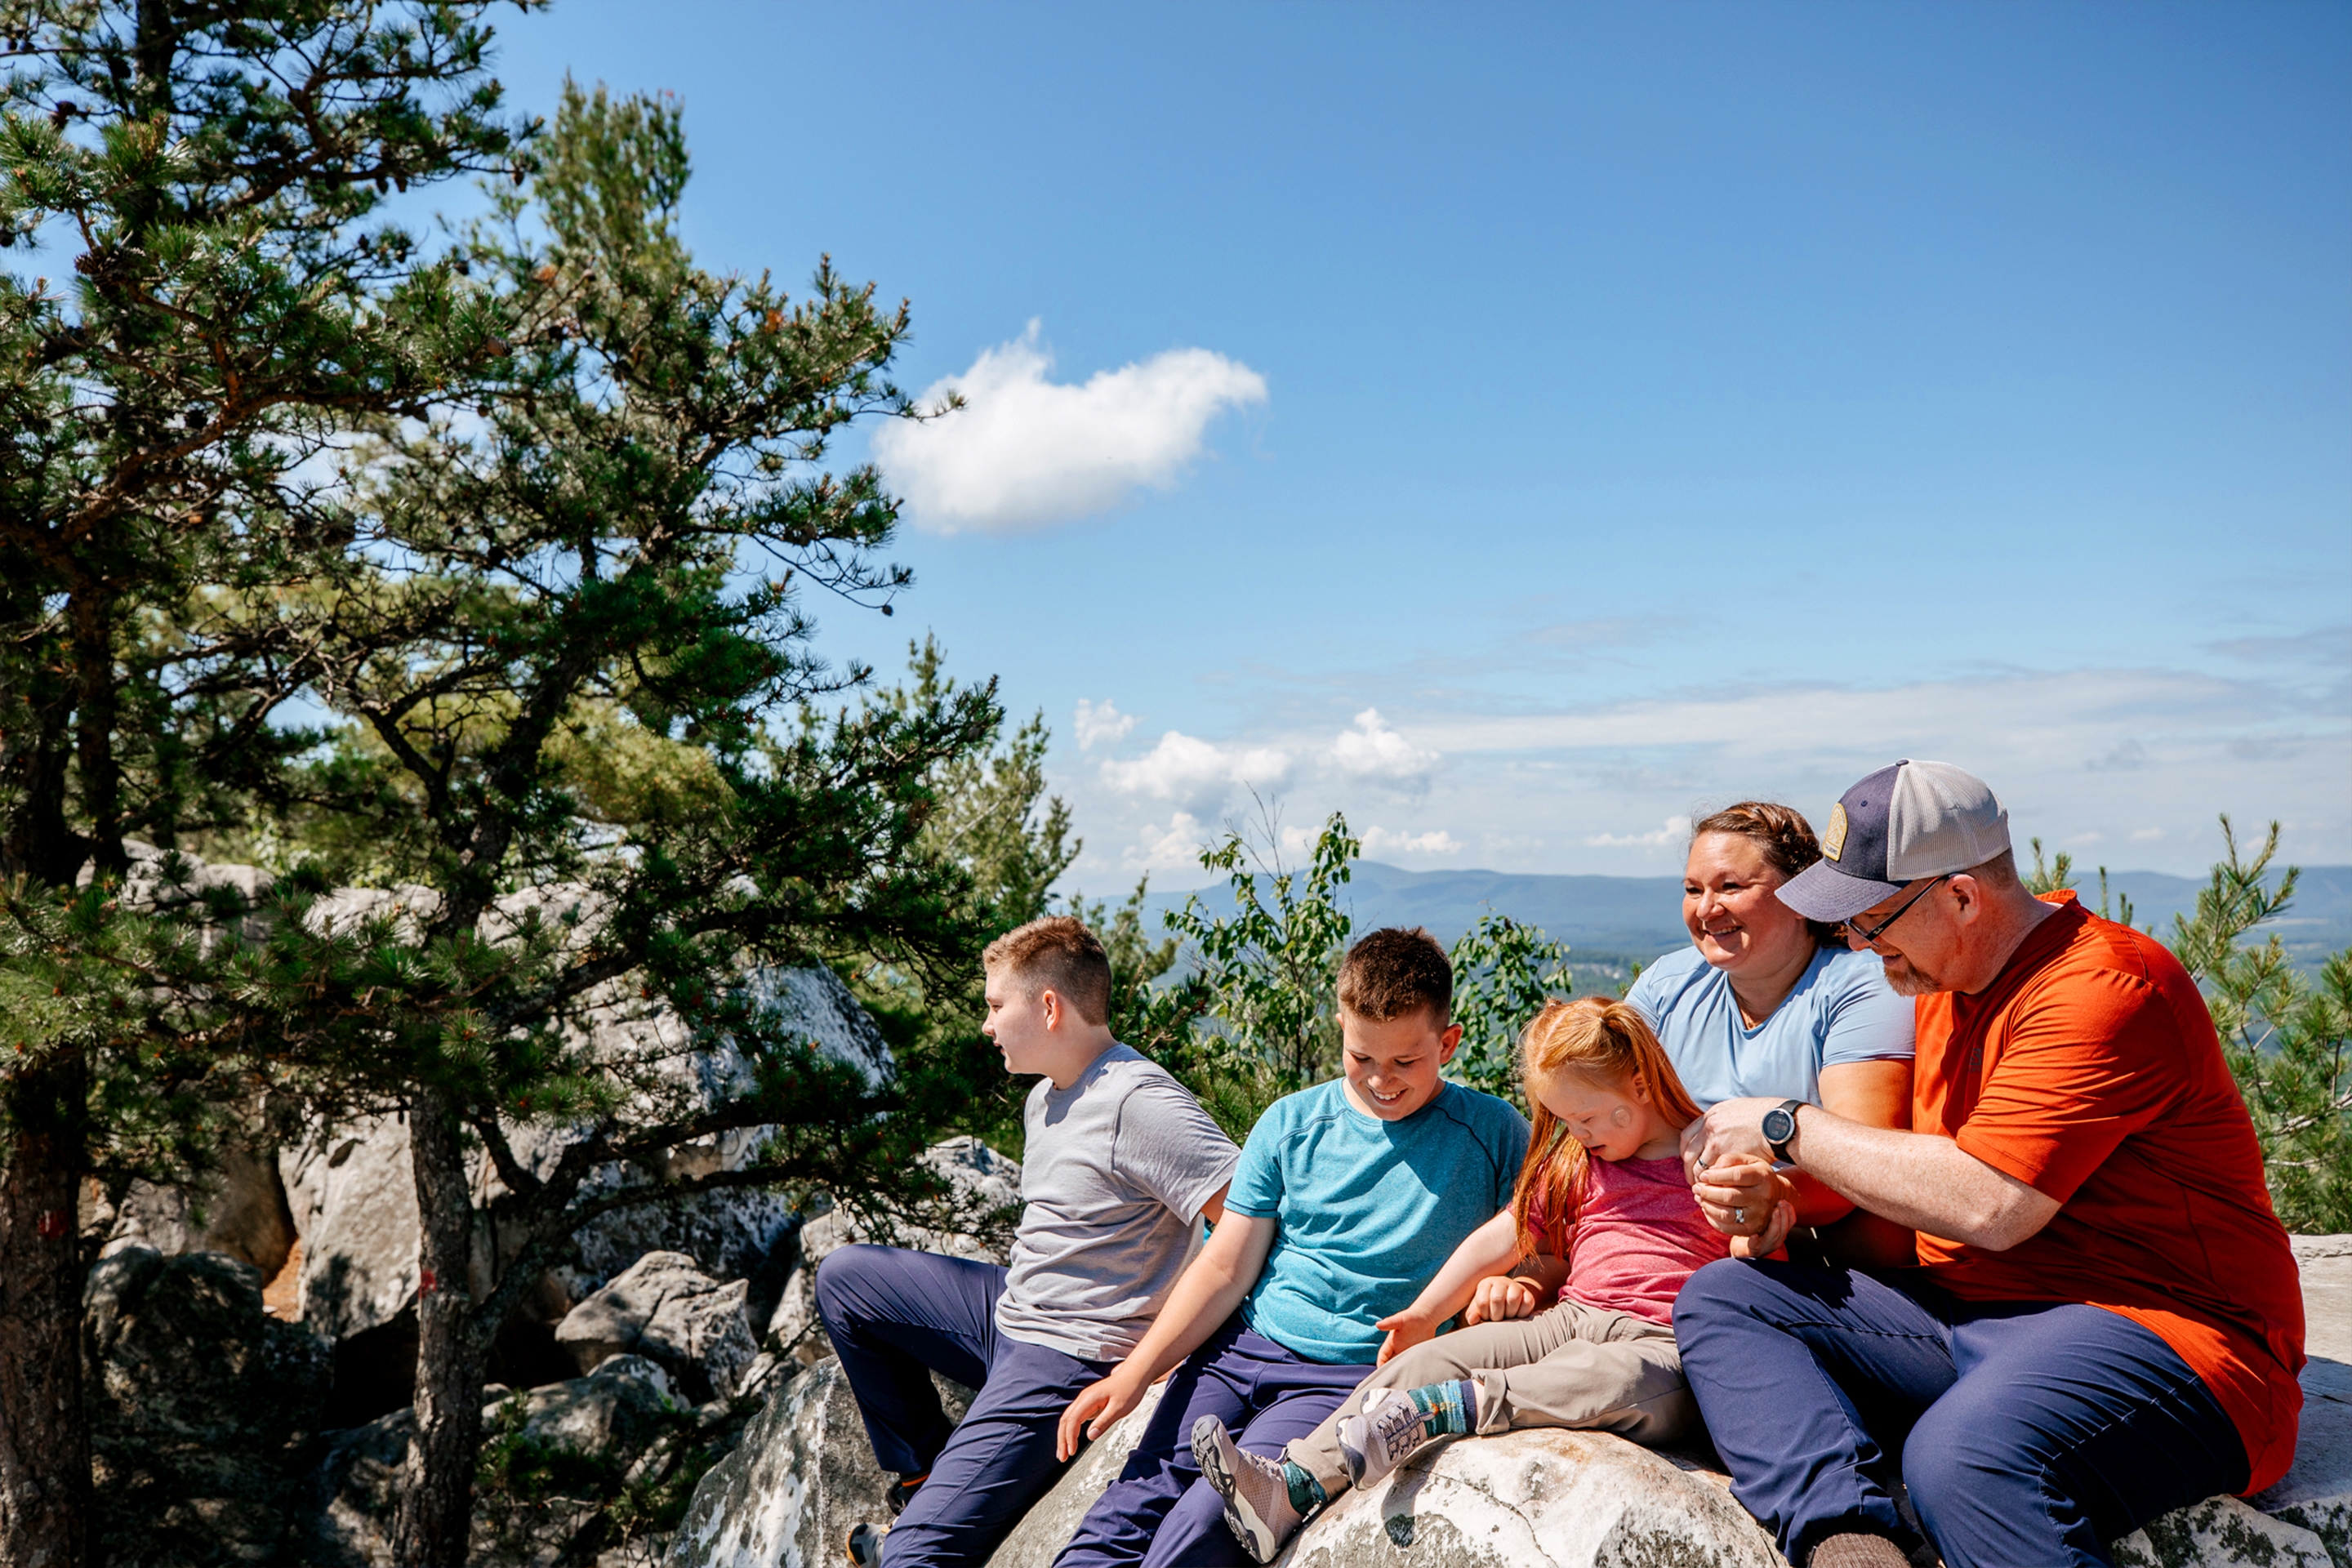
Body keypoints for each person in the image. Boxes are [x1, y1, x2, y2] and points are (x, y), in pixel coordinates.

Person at [1673, 760, 2305, 1568]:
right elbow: (1902, 1167)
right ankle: (1849, 1542)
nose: (1859, 946)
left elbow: (1992, 1203)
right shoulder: (1938, 976)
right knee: (1730, 1298)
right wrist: (1780, 1198)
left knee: (1962, 1456)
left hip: (2175, 1341)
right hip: (1975, 1320)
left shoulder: (2102, 989)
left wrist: (1784, 1124)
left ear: (1963, 896)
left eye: (1870, 920)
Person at [1192, 996, 1743, 1562]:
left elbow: (1760, 1249)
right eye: (1566, 1121)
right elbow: (1501, 1238)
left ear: (1641, 1086)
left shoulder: (1709, 1154)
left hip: (1664, 1340)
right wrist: (1428, 1315)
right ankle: (1293, 1485)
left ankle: (1452, 1408)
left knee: (1618, 1380)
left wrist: (1756, 1220)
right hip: (1573, 1319)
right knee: (1425, 1363)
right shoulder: (1581, 1159)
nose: (1577, 1132)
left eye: (1588, 1117)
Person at [1050, 928, 1530, 1568]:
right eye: (1361, 1057)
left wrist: (1521, 1282)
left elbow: (1538, 1242)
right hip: (1239, 1352)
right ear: (1340, 1026)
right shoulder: (1290, 1122)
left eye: (1406, 1063)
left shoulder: (1494, 1133)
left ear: (1447, 1042)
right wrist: (1134, 1374)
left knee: (1206, 1524)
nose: (1381, 1081)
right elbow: (1225, 1264)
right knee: (1128, 1505)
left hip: (1344, 1375)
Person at [819, 915, 1241, 1568]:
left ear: (1049, 1007)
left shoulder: (1140, 1101)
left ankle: (924, 1528)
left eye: (994, 1005)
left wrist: (1170, 1355)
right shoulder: (1044, 1095)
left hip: (1069, 1358)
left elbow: (1248, 1215)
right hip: (1009, 1313)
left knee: (914, 1558)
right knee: (845, 1279)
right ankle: (925, 1477)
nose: (986, 1024)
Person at [1627, 801, 1916, 1262]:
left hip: (1814, 1255)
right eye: (1692, 889)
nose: (1706, 909)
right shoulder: (1667, 986)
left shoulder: (1860, 988)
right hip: (1662, 1236)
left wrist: (1772, 1194)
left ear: (1800, 897)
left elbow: (1868, 1164)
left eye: (1731, 887)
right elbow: (1594, 1105)